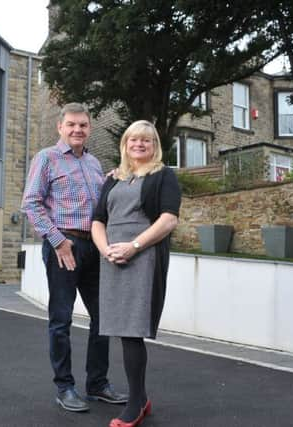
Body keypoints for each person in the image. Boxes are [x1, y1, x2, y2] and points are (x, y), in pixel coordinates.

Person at [22, 103, 128, 412]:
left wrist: (113, 180)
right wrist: (58, 241)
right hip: (63, 247)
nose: (77, 129)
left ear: (89, 128)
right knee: (61, 320)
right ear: (60, 127)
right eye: (71, 124)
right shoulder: (46, 158)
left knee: (103, 318)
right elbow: (31, 203)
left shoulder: (94, 163)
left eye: (82, 125)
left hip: (95, 248)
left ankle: (97, 384)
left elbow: (100, 206)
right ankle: (65, 387)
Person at [91, 120, 181, 427]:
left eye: (146, 140)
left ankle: (135, 404)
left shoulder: (163, 175)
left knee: (131, 331)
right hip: (112, 257)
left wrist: (133, 246)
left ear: (154, 145)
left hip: (142, 256)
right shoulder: (114, 179)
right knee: (121, 329)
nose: (138, 144)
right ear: (125, 144)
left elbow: (169, 219)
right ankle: (140, 398)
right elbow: (98, 221)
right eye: (133, 140)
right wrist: (105, 250)